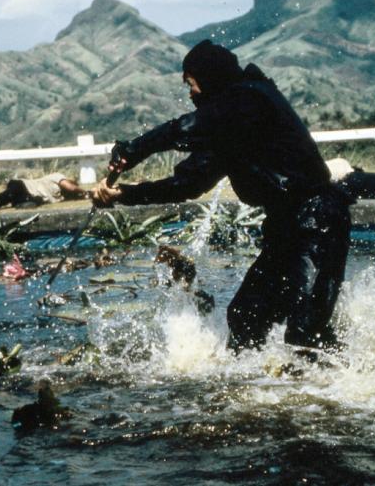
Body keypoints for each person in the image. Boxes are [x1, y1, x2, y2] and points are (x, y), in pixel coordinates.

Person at [92, 39, 354, 353]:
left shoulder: (250, 98)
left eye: (191, 84)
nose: (191, 93)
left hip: (319, 222)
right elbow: (186, 185)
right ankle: (260, 382)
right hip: (284, 228)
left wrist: (131, 151)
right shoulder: (228, 129)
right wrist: (123, 194)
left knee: (304, 332)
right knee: (244, 318)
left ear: (211, 77)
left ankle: (351, 377)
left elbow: (183, 128)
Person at [0, 173, 89, 211]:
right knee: (5, 196)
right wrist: (85, 192)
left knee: (37, 200)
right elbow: (71, 187)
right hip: (23, 186)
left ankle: (23, 203)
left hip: (30, 196)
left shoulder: (61, 196)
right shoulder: (58, 176)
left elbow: (72, 191)